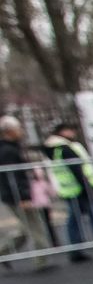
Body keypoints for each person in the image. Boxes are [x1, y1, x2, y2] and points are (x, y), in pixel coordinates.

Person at [44, 119, 93, 255]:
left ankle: (75, 250)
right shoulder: (65, 148)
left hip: (70, 189)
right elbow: (77, 169)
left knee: (75, 219)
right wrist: (87, 186)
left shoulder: (55, 149)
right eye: (70, 129)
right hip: (80, 188)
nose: (73, 132)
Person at [0, 116, 55, 273]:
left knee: (26, 229)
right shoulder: (8, 151)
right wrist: (23, 197)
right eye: (18, 128)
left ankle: (3, 252)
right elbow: (13, 177)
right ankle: (41, 263)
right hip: (17, 197)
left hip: (13, 196)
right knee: (36, 228)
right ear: (9, 131)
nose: (21, 131)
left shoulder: (10, 148)